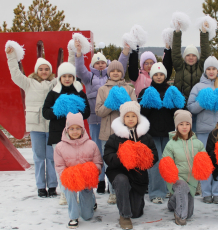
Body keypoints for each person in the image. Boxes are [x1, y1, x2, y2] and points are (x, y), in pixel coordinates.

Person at [73, 40, 130, 194]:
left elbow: (121, 66)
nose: (100, 65)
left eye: (103, 63)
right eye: (97, 63)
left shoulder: (110, 79)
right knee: (97, 152)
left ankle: (114, 182)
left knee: (110, 151)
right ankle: (99, 181)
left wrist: (125, 51)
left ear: (107, 65)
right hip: (94, 119)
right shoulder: (88, 78)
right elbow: (79, 68)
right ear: (93, 65)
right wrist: (79, 53)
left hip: (110, 121)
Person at [5, 45, 58, 198]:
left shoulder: (54, 83)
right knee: (39, 158)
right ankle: (41, 187)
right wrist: (11, 57)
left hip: (51, 125)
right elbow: (15, 74)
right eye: (41, 69)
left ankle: (53, 186)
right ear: (36, 71)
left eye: (46, 69)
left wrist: (74, 53)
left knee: (52, 157)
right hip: (36, 126)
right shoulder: (28, 82)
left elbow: (68, 72)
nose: (44, 72)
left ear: (50, 71)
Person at [187, 56, 218, 204]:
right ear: (205, 71)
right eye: (209, 69)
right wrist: (203, 102)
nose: (211, 71)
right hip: (203, 131)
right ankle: (206, 192)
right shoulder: (198, 87)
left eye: (214, 69)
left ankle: (217, 193)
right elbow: (191, 108)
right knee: (205, 162)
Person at [103, 101, 158, 230]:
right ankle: (124, 216)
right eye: (127, 116)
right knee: (122, 181)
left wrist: (142, 157)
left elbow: (154, 156)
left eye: (133, 116)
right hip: (119, 172)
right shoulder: (115, 137)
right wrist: (122, 156)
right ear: (123, 118)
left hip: (138, 175)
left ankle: (133, 202)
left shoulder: (146, 137)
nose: (131, 119)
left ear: (138, 117)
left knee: (136, 213)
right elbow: (107, 156)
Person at [42, 62, 90, 204]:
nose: (67, 79)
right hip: (58, 134)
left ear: (74, 77)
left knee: (77, 163)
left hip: (77, 135)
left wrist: (74, 110)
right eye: (64, 76)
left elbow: (86, 111)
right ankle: (65, 192)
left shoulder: (80, 93)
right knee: (61, 165)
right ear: (60, 78)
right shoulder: (53, 93)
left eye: (70, 76)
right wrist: (59, 110)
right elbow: (45, 112)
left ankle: (79, 189)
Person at [138, 62, 185, 204]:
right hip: (151, 133)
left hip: (170, 133)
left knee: (169, 162)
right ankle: (156, 192)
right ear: (152, 76)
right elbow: (140, 114)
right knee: (155, 163)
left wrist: (173, 102)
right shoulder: (145, 91)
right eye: (156, 74)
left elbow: (181, 111)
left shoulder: (172, 90)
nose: (159, 77)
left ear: (165, 76)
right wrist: (149, 102)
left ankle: (169, 189)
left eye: (161, 74)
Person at [159, 110, 213, 225]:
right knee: (182, 193)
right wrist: (172, 176)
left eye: (187, 124)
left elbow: (204, 161)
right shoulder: (171, 144)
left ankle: (172, 202)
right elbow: (166, 162)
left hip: (192, 180)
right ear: (177, 126)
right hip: (177, 179)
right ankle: (179, 216)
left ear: (191, 125)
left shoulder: (198, 143)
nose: (184, 127)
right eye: (181, 124)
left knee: (189, 213)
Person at [95, 60, 136, 204]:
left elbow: (134, 109)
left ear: (122, 73)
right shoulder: (102, 90)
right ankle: (112, 191)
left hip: (125, 132)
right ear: (108, 73)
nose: (115, 73)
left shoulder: (129, 88)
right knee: (110, 163)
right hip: (108, 132)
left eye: (118, 71)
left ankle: (125, 189)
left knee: (126, 161)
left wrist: (124, 104)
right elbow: (99, 111)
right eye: (112, 71)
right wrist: (110, 103)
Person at [54, 112, 103, 229]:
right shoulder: (60, 147)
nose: (74, 131)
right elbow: (59, 166)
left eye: (77, 128)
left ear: (82, 129)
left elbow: (98, 163)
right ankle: (73, 216)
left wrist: (91, 171)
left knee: (87, 216)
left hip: (86, 179)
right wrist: (68, 176)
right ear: (66, 130)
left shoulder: (91, 145)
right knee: (69, 191)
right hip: (70, 179)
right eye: (71, 129)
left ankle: (90, 199)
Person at [172, 21, 210, 103]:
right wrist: (177, 32)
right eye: (188, 55)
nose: (191, 58)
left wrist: (204, 33)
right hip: (182, 106)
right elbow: (175, 52)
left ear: (197, 57)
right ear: (184, 57)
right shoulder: (179, 67)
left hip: (198, 105)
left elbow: (205, 53)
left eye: (194, 55)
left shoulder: (201, 67)